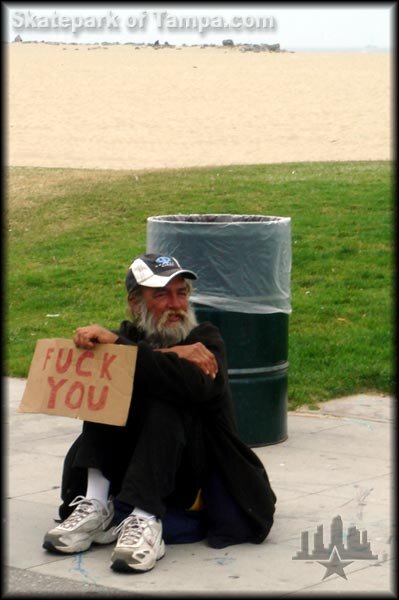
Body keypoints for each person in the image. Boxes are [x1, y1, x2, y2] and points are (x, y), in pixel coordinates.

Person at [43, 253, 276, 573]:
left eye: (182, 293)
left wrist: (136, 352)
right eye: (161, 294)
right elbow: (127, 362)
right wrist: (169, 353)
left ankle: (145, 519)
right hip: (135, 467)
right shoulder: (125, 339)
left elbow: (192, 385)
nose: (175, 304)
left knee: (170, 395)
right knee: (107, 377)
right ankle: (97, 504)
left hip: (191, 475)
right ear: (135, 304)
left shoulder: (206, 339)